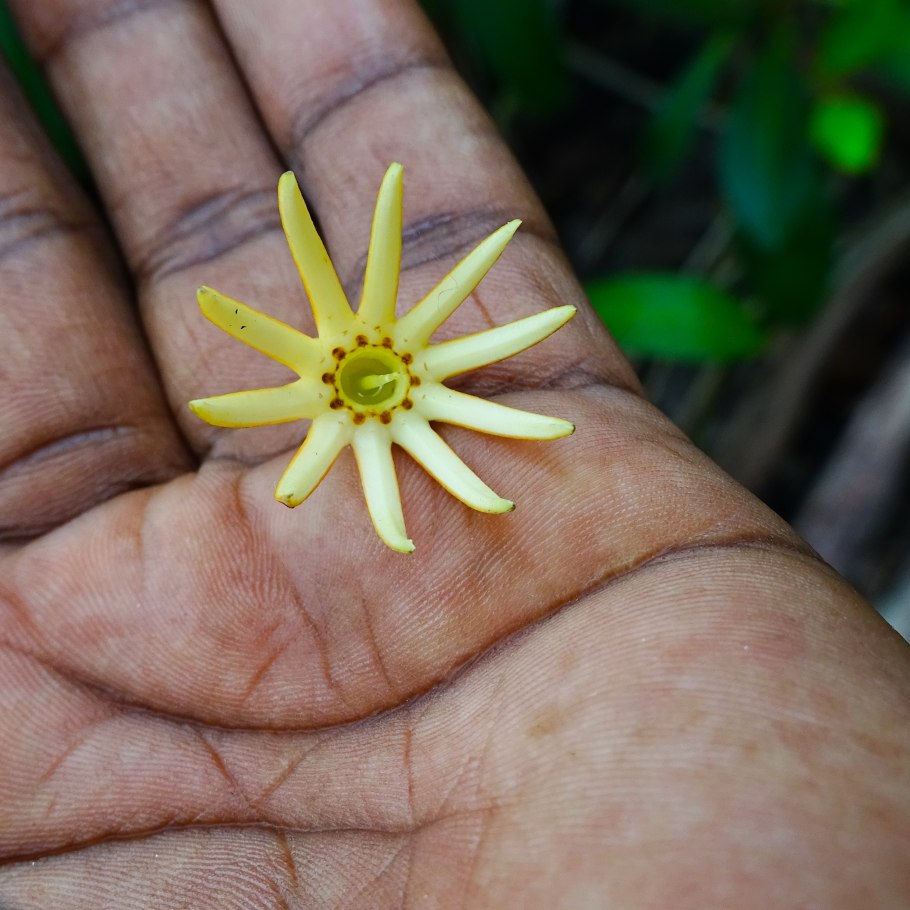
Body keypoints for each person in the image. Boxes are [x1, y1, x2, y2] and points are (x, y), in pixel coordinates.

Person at [1, 1, 908, 906]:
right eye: (367, 377)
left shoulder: (389, 374)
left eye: (377, 375)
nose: (370, 380)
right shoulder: (348, 383)